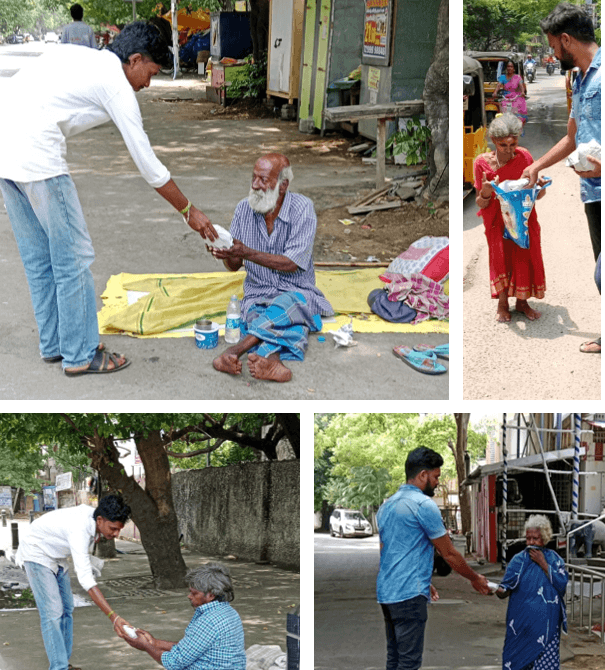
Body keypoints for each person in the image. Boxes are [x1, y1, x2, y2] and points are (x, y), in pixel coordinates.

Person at [0, 22, 218, 376]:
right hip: (37, 158)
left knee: (41, 260)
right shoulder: (115, 84)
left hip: (5, 155)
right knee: (73, 258)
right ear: (134, 60)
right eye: (150, 73)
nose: (148, 84)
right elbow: (149, 165)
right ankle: (81, 353)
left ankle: (57, 345)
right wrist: (189, 210)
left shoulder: (86, 59)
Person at [210, 153, 334, 383]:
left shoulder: (302, 209)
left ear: (283, 185)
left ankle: (234, 352)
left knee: (285, 305)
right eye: (254, 178)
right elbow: (234, 266)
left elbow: (291, 263)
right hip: (259, 292)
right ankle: (273, 360)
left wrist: (247, 252)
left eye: (263, 179)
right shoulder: (243, 209)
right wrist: (226, 254)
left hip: (297, 291)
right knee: (275, 318)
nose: (256, 185)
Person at [522, 2, 601, 353]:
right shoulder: (580, 80)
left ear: (566, 40)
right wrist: (537, 165)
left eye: (553, 47)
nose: (553, 55)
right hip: (592, 194)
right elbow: (572, 137)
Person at [376, 447, 490, 670]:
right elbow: (449, 553)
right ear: (422, 475)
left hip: (387, 593)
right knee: (408, 663)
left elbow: (387, 552)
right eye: (436, 476)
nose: (438, 482)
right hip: (409, 595)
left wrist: (424, 581)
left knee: (395, 658)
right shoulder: (423, 505)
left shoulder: (387, 506)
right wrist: (474, 578)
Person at [15, 495, 134, 670]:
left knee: (67, 609)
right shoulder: (80, 529)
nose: (116, 534)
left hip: (57, 556)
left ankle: (64, 663)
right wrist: (113, 617)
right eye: (113, 528)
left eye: (119, 529)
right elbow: (86, 580)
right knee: (53, 613)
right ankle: (59, 667)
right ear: (100, 520)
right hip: (36, 553)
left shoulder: (93, 519)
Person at [474, 113, 548, 323]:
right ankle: (503, 303)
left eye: (512, 143)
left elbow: (538, 195)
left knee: (524, 255)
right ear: (494, 142)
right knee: (501, 258)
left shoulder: (525, 157)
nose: (509, 149)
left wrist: (540, 187)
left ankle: (523, 302)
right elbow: (481, 202)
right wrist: (487, 190)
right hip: (497, 221)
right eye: (503, 145)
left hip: (524, 219)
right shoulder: (482, 163)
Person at [124, 563, 246, 669]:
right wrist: (155, 642)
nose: (189, 596)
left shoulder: (209, 621)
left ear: (211, 595)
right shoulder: (229, 611)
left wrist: (146, 646)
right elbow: (190, 647)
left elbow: (174, 662)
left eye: (194, 593)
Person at [496, 515, 568, 670]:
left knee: (545, 663)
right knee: (517, 659)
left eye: (535, 538)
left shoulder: (554, 559)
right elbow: (505, 587)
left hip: (546, 625)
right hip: (521, 624)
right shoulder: (518, 560)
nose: (531, 543)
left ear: (544, 538)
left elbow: (562, 584)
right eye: (528, 538)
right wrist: (497, 590)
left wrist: (543, 563)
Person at [493, 61, 528, 125]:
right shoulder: (502, 77)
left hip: (515, 98)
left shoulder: (518, 77)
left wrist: (522, 92)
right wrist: (495, 92)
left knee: (516, 112)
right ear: (506, 68)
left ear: (514, 69)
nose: (509, 68)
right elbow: (498, 85)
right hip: (506, 97)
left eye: (511, 67)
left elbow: (521, 86)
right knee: (502, 111)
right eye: (508, 67)